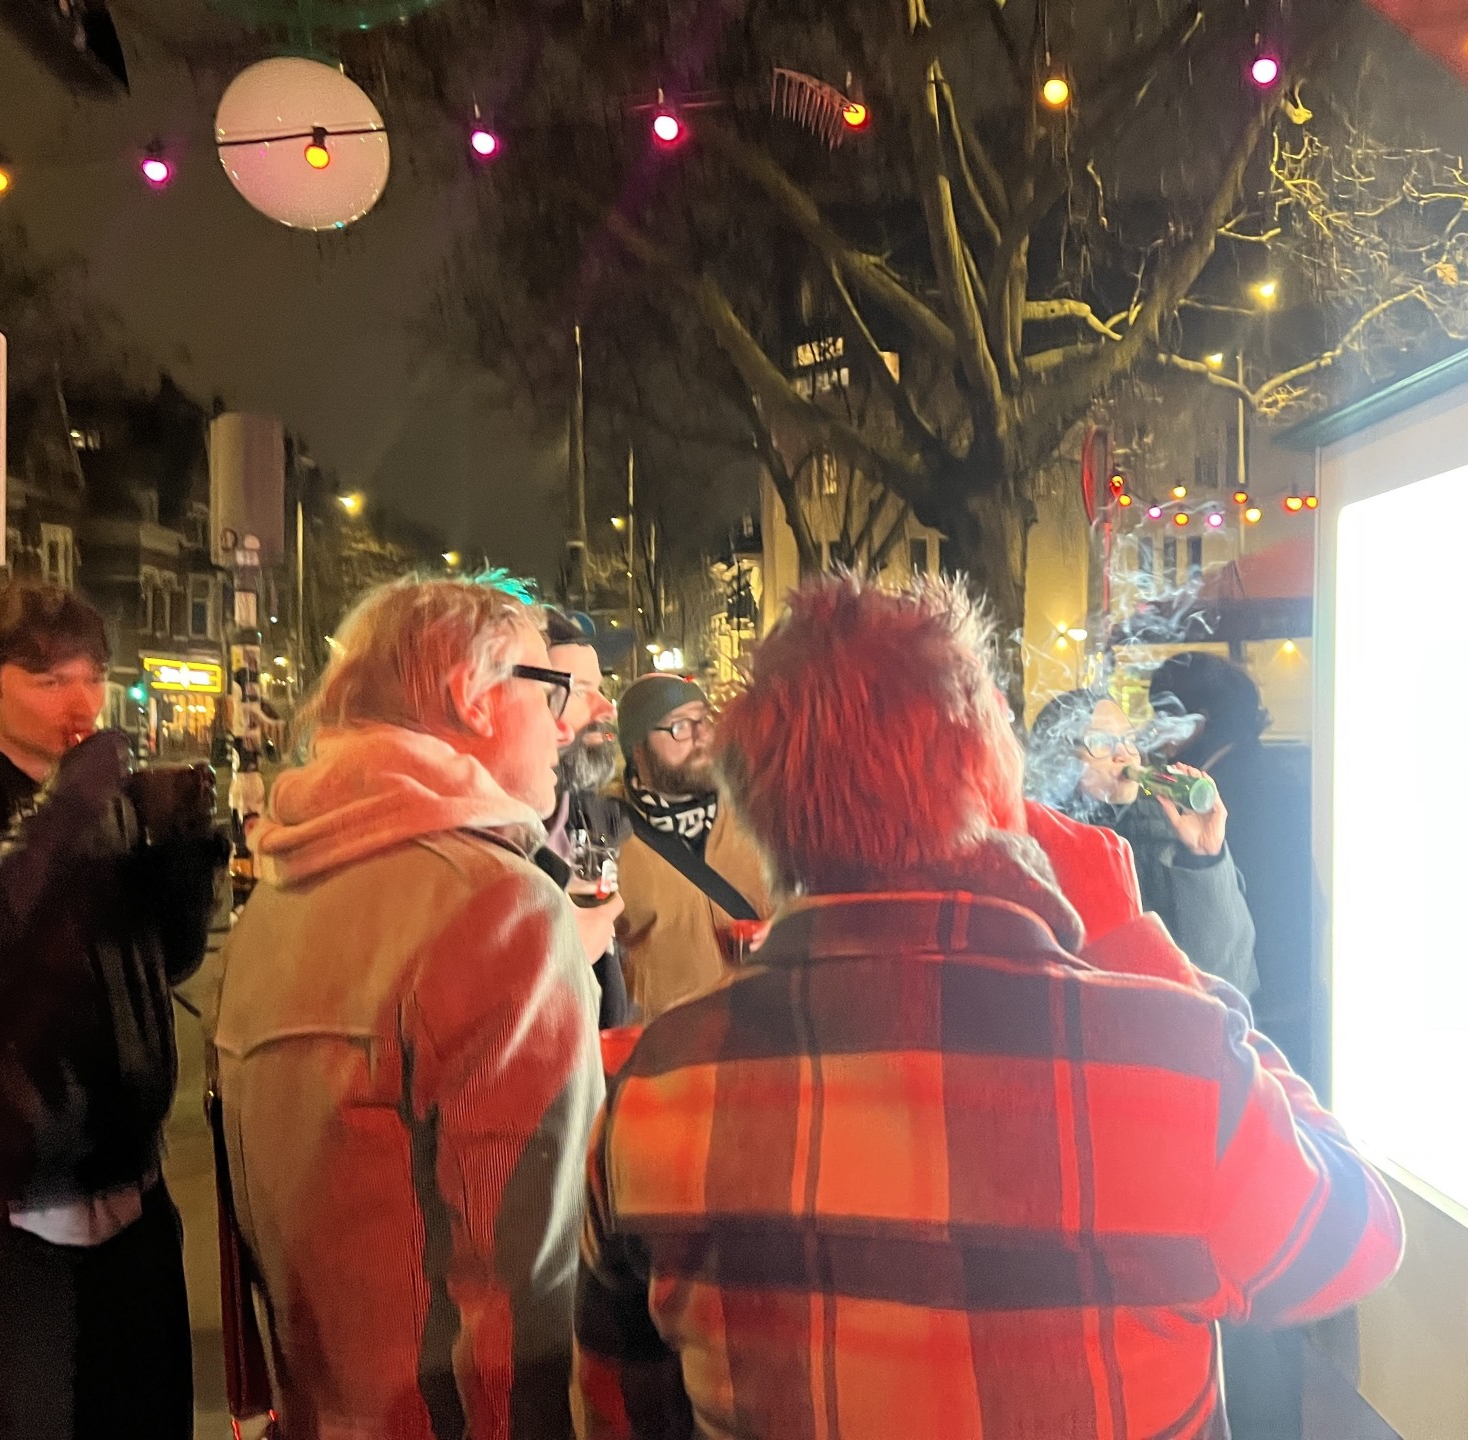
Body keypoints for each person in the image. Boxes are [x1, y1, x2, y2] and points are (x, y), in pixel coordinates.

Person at [576, 574, 1403, 1438]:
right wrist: (1129, 945)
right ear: (984, 773)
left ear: (759, 803)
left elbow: (621, 1410)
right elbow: (1353, 1241)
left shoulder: (656, 1088)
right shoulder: (1163, 1057)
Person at [213, 575, 605, 1437]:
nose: (565, 725)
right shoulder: (500, 908)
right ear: (474, 696)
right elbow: (524, 1286)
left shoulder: (278, 897)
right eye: (551, 689)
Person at [0, 582, 220, 1440]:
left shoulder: (101, 803)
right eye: (47, 681)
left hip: (133, 1195)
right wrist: (68, 812)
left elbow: (163, 962)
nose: (80, 702)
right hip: (8, 1223)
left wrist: (183, 856)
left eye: (92, 677)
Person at [1028, 686, 1257, 994]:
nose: (1124, 754)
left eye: (1129, 739)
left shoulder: (1165, 829)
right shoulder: (1036, 846)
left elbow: (1228, 976)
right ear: (1058, 760)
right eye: (1101, 742)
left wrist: (1203, 857)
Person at [1150, 652, 1314, 1079]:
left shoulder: (1219, 794)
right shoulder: (1270, 773)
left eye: (1162, 713)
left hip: (1258, 1004)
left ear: (1198, 720)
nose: (1152, 730)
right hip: (1297, 991)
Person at [610, 671, 770, 1019]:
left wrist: (784, 927)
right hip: (664, 1040)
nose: (701, 737)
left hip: (760, 1029)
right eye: (679, 726)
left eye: (704, 720)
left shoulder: (757, 811)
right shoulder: (606, 829)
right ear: (637, 748)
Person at [539, 609, 631, 1028]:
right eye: (580, 691)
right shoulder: (487, 842)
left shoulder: (589, 814)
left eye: (601, 689)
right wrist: (561, 951)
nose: (606, 708)